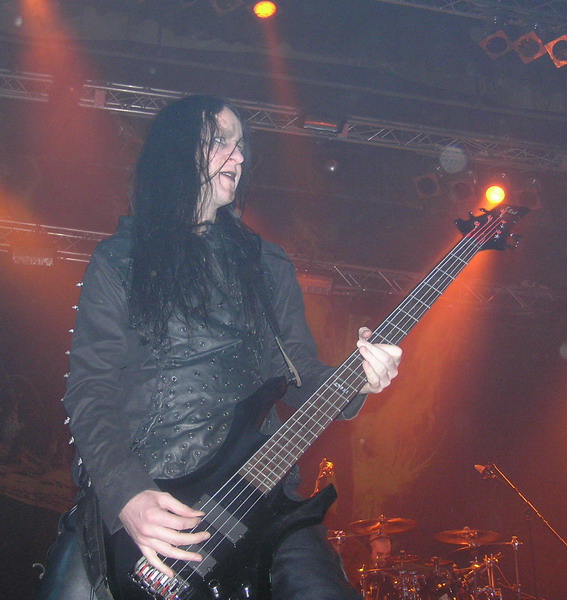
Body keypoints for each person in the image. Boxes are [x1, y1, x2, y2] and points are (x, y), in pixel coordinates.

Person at [35, 95, 402, 600]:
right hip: (147, 489)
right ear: (177, 151)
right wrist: (127, 494)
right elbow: (89, 392)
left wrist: (359, 377)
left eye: (242, 145)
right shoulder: (121, 259)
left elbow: (301, 378)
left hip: (257, 487)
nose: (240, 156)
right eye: (221, 142)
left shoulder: (266, 264)